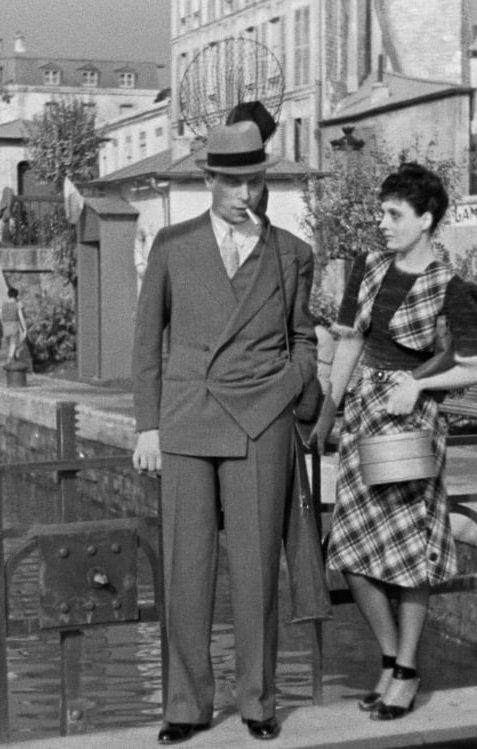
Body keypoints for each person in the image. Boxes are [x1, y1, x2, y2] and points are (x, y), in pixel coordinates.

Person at [131, 121, 316, 744]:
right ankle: (186, 707)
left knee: (258, 567)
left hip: (261, 420)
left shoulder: (292, 253)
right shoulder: (172, 245)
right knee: (186, 570)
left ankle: (258, 701)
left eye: (255, 181)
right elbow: (145, 344)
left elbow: (305, 338)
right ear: (208, 179)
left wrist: (289, 387)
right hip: (187, 420)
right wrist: (148, 424)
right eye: (233, 182)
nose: (246, 194)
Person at [308, 162, 477, 721]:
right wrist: (327, 415)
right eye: (381, 212)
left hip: (411, 426)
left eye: (394, 214)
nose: (382, 223)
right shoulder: (366, 269)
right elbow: (349, 345)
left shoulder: (451, 287)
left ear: (426, 219)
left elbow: (476, 366)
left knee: (409, 553)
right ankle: (390, 658)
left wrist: (419, 384)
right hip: (364, 419)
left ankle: (406, 670)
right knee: (348, 549)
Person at [0, 287, 27, 362]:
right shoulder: (17, 305)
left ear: (8, 295)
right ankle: (10, 359)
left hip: (5, 328)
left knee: (12, 345)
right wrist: (24, 328)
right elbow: (21, 317)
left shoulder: (4, 305)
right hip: (14, 327)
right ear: (16, 296)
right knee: (16, 343)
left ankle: (14, 356)